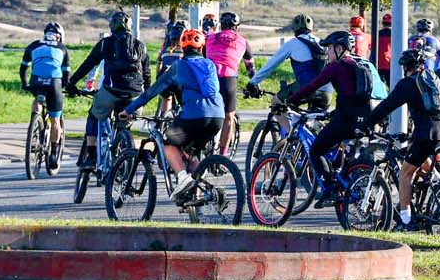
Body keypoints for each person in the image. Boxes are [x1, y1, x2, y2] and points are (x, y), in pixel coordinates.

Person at [121, 29, 224, 197]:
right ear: (201, 47)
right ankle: (208, 193)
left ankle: (183, 178)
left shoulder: (178, 66)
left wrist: (128, 110)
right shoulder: (210, 64)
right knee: (188, 152)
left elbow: (152, 91)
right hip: (217, 117)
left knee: (168, 143)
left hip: (194, 117)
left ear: (182, 47)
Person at [368, 47, 440, 229]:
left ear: (405, 67)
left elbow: (387, 105)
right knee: (418, 162)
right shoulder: (433, 80)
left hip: (427, 133)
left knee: (404, 174)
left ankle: (406, 220)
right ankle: (435, 184)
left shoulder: (408, 83)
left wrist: (366, 123)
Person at [288, 30, 379, 202]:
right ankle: (343, 180)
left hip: (345, 121)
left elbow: (312, 85)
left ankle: (330, 188)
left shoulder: (336, 67)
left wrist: (292, 99)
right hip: (363, 119)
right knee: (336, 147)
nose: (326, 53)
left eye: (329, 49)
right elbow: (353, 95)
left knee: (316, 150)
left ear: (339, 48)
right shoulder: (357, 64)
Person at [67, 10, 151, 169]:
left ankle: (91, 157)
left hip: (111, 92)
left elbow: (88, 64)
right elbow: (147, 73)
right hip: (135, 95)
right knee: (125, 123)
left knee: (94, 115)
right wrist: (146, 95)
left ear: (112, 26)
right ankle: (123, 152)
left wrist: (72, 83)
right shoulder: (141, 46)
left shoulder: (106, 43)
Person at [247, 14, 328, 139]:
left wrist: (252, 83)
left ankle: (293, 137)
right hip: (327, 91)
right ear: (311, 28)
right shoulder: (322, 43)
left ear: (294, 29)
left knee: (276, 103)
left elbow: (270, 65)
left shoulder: (293, 43)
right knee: (314, 124)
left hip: (306, 88)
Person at [18, 21, 71, 171]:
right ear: (59, 37)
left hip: (36, 82)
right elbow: (66, 75)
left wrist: (24, 84)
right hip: (54, 84)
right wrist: (65, 87)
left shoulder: (33, 45)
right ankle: (53, 153)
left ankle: (35, 122)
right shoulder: (62, 48)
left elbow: (23, 69)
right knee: (55, 119)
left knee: (37, 99)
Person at [204, 11, 254, 157]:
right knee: (228, 117)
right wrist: (254, 85)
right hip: (227, 79)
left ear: (221, 25)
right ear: (236, 27)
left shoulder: (210, 38)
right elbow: (250, 68)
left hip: (208, 78)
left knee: (204, 112)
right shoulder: (243, 42)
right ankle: (222, 156)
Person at [375, 12, 394, 85]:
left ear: (383, 23)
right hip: (390, 64)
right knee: (391, 86)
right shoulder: (395, 34)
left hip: (378, 64)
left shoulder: (377, 34)